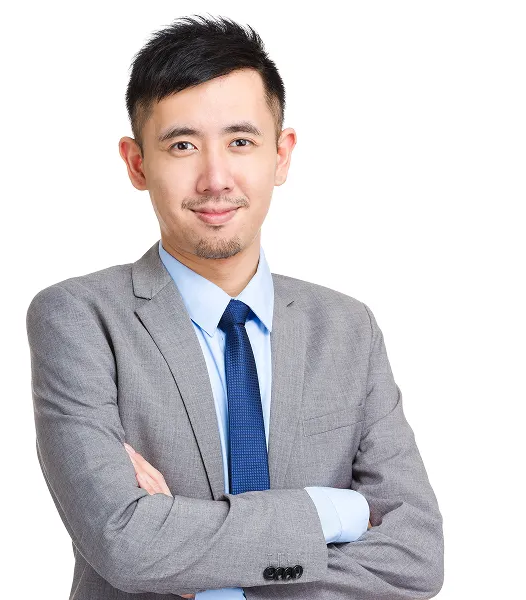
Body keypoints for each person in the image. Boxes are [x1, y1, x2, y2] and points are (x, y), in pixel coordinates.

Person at [26, 14, 444, 600]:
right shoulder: (79, 319)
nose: (215, 178)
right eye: (182, 145)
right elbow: (127, 546)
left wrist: (195, 564)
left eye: (241, 142)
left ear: (282, 154)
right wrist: (332, 511)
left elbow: (417, 557)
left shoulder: (349, 329)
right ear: (137, 163)